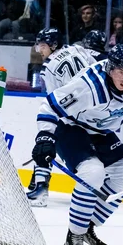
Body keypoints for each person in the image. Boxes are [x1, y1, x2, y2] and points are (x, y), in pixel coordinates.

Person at [31, 43, 123, 245]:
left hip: (100, 130)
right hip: (71, 127)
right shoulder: (89, 85)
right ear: (110, 68)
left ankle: (87, 226)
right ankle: (75, 235)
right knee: (92, 171)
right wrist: (45, 137)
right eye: (120, 71)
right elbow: (50, 106)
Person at [27, 27, 97, 206]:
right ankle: (37, 181)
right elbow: (96, 70)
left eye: (42, 46)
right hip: (97, 108)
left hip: (74, 116)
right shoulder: (77, 49)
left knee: (45, 141)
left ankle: (40, 189)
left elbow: (55, 101)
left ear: (53, 45)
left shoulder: (48, 67)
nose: (40, 50)